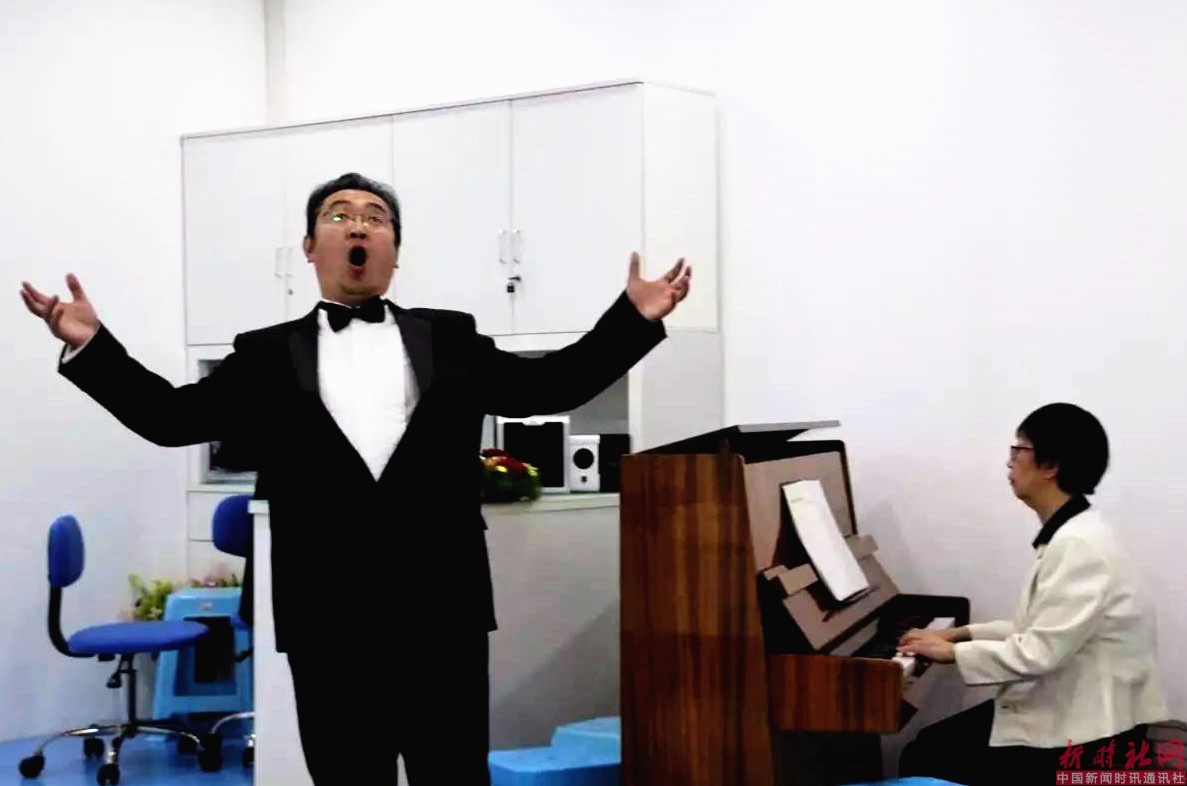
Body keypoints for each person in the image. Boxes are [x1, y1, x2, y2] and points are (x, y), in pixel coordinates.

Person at [19, 172, 692, 785]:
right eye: (339, 216)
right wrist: (92, 348)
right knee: (346, 774)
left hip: (442, 606)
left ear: (396, 250)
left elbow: (550, 386)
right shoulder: (264, 354)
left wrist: (631, 320)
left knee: (453, 773)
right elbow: (170, 418)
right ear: (310, 248)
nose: (358, 225)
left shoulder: (451, 338)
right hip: (325, 612)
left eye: (376, 217)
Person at [896, 403, 1168, 785]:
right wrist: (961, 634)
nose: (1009, 462)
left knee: (927, 753)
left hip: (1091, 735)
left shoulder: (1079, 546)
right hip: (1082, 709)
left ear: (1050, 465)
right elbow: (1045, 629)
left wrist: (953, 652)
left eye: (1018, 449)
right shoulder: (1077, 532)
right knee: (931, 745)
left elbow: (1040, 651)